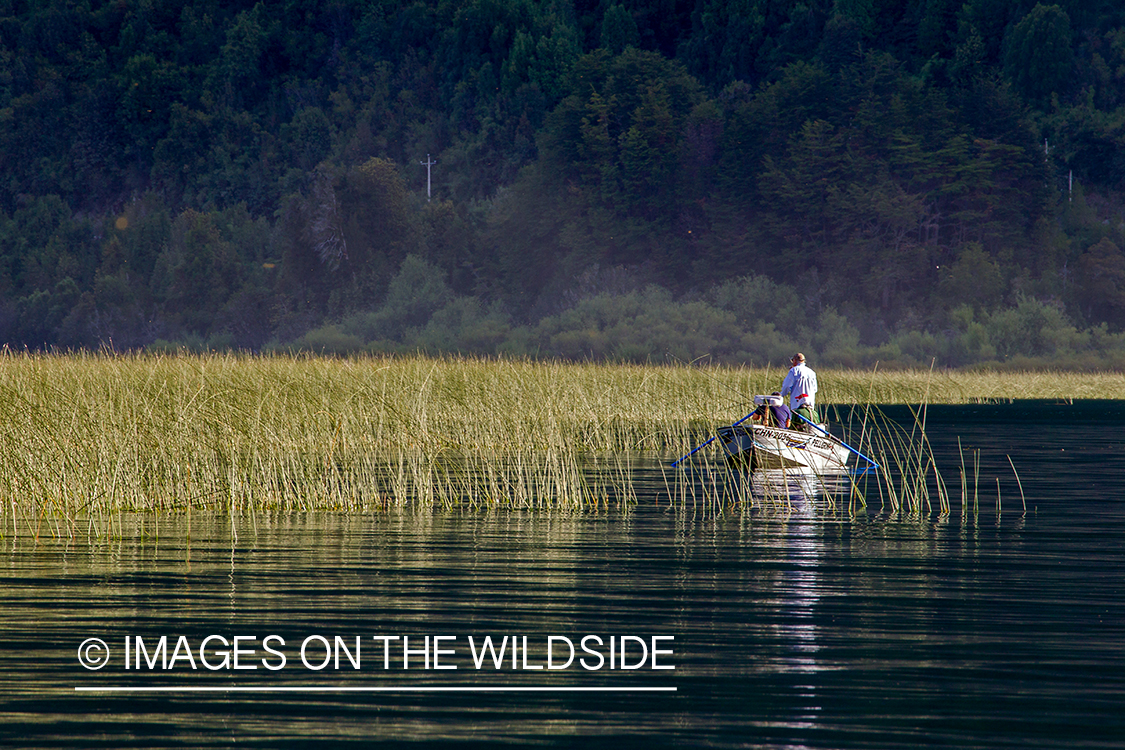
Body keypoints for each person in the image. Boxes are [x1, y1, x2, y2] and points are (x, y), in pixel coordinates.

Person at [780, 352, 818, 428]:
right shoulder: (812, 372)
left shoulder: (793, 371)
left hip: (797, 407)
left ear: (794, 361)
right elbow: (815, 389)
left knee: (795, 426)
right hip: (810, 408)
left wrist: (781, 396)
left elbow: (787, 386)